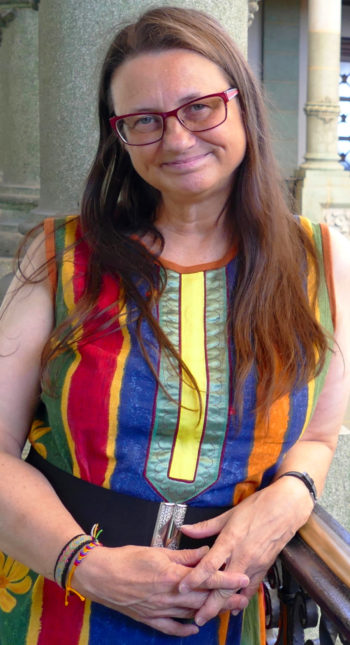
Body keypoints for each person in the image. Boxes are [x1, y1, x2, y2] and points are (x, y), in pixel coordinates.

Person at [0, 6, 349, 645]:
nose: (178, 139)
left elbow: (320, 436)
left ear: (241, 105)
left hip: (223, 617)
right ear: (118, 137)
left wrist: (291, 497)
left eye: (200, 107)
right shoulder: (61, 256)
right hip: (54, 606)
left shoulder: (322, 263)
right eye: (144, 121)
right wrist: (89, 566)